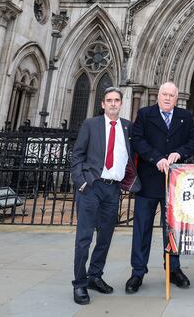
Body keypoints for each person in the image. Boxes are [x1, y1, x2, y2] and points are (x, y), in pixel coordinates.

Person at [126, 81, 194, 294]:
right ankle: (137, 272)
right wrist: (155, 157)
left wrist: (180, 153)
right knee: (142, 229)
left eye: (171, 95)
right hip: (148, 180)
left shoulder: (185, 117)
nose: (167, 98)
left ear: (177, 98)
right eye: (164, 94)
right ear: (158, 96)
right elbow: (137, 140)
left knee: (172, 230)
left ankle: (173, 268)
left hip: (173, 184)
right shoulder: (145, 114)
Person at [70, 87, 138, 305]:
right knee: (84, 238)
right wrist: (80, 182)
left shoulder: (128, 127)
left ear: (121, 103)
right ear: (102, 104)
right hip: (91, 187)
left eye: (117, 100)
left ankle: (95, 276)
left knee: (105, 237)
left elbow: (134, 153)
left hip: (113, 189)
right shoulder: (91, 124)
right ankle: (79, 283)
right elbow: (77, 154)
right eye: (109, 100)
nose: (113, 104)